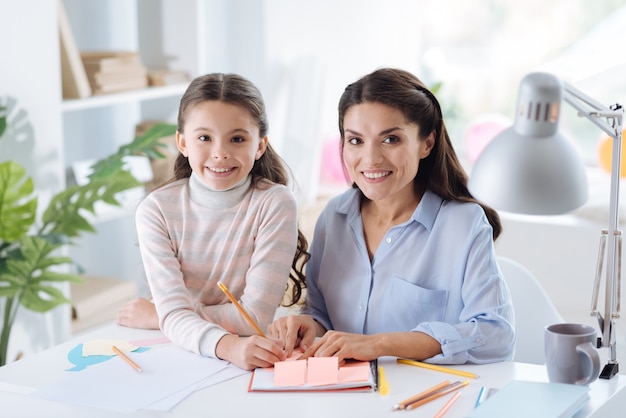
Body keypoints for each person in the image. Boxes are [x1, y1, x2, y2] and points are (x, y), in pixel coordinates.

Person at [268, 68, 515, 365]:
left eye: (391, 140)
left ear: (427, 143)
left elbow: (495, 334)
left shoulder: (463, 224)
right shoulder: (333, 217)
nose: (371, 158)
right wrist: (308, 325)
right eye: (356, 140)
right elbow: (321, 313)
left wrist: (380, 345)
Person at [116, 72, 309, 370]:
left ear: (259, 145)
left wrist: (163, 317)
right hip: (174, 356)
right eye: (204, 138)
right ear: (182, 142)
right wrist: (225, 344)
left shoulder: (275, 203)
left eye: (237, 138)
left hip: (228, 352)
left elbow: (254, 319)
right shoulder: (156, 210)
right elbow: (195, 319)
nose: (220, 153)